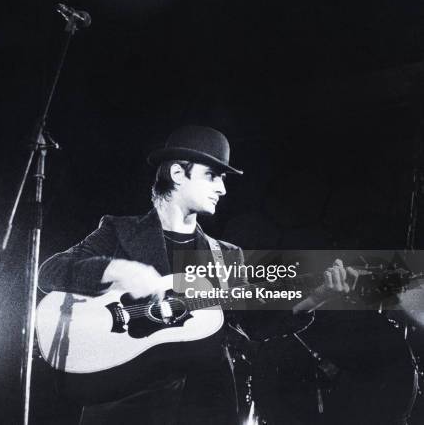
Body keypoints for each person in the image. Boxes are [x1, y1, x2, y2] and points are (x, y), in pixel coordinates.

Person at [38, 125, 355, 424]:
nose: (222, 188)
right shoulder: (118, 232)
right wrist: (115, 269)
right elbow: (50, 272)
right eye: (213, 176)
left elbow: (256, 324)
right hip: (122, 405)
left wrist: (316, 296)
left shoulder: (226, 255)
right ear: (177, 173)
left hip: (204, 405)